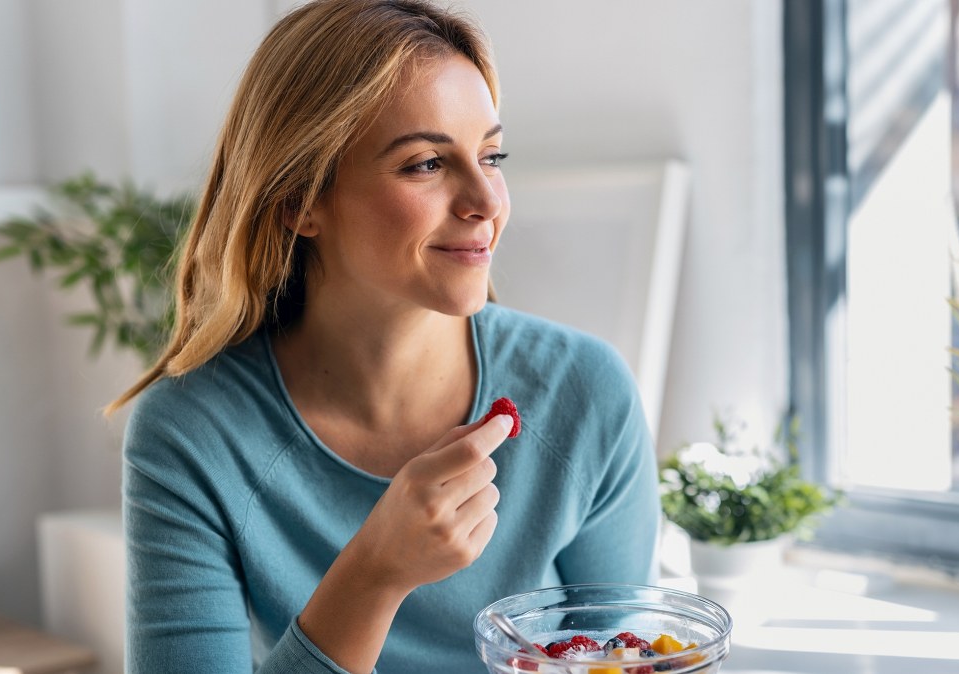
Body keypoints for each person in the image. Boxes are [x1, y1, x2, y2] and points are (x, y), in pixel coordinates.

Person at [111, 1, 661, 672]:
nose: (487, 202)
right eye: (426, 163)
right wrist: (374, 573)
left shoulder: (587, 390)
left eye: (491, 155)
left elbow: (628, 654)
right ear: (299, 201)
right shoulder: (191, 434)